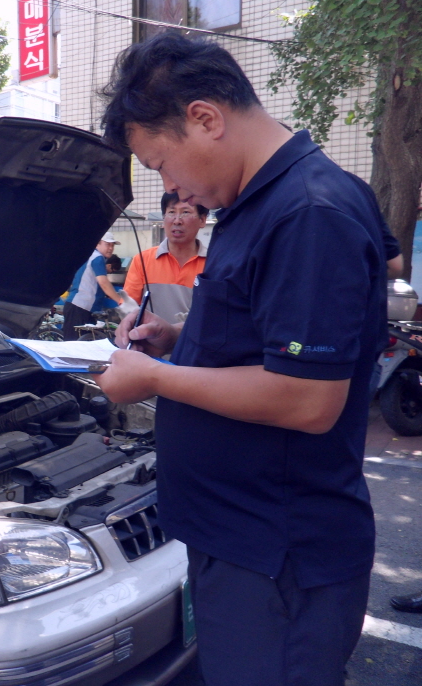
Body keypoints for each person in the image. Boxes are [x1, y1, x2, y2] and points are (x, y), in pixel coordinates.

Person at [95, 33, 386, 686]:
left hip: (277, 556)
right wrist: (177, 342)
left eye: (162, 163)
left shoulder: (308, 212)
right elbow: (260, 338)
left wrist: (156, 378)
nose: (173, 189)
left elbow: (308, 398)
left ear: (205, 118)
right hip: (238, 540)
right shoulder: (255, 205)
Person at [122, 192, 208, 323]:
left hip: (193, 342)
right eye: (171, 212)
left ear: (202, 220)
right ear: (163, 218)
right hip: (150, 342)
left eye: (185, 212)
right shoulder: (143, 260)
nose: (177, 220)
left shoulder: (213, 264)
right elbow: (129, 308)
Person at [62, 232, 130, 340]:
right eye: (107, 244)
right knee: (73, 347)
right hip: (80, 307)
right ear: (98, 243)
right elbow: (104, 283)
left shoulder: (91, 255)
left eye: (112, 245)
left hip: (81, 307)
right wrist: (121, 301)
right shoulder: (97, 258)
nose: (111, 248)